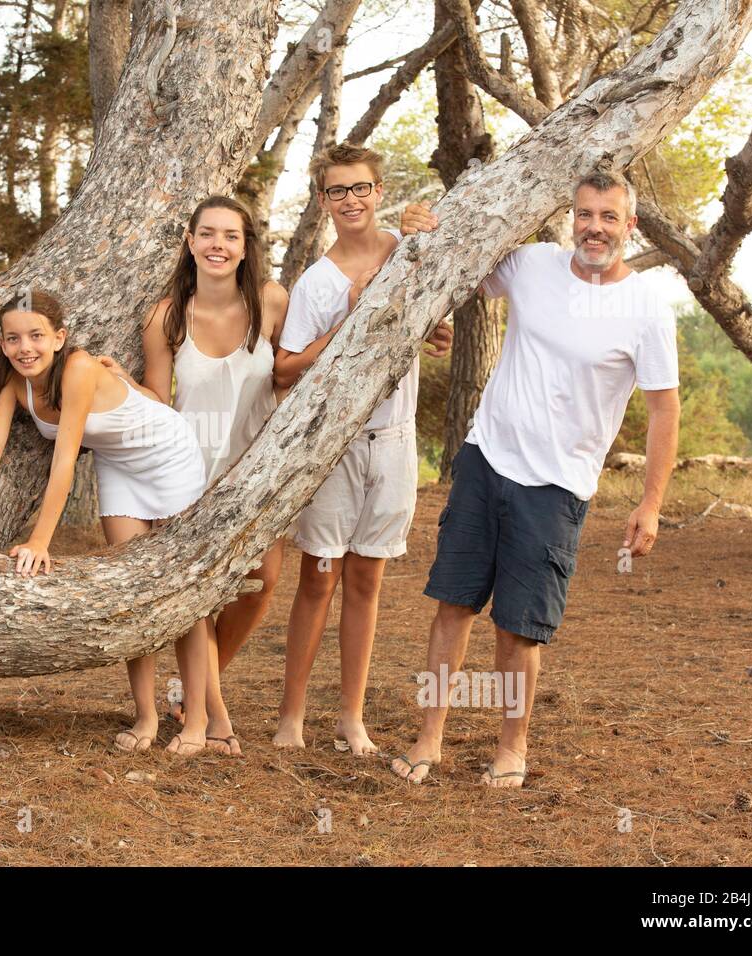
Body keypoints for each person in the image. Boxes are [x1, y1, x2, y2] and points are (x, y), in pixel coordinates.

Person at [391, 169, 681, 787]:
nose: (594, 228)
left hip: (558, 486)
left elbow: (663, 408)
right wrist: (418, 224)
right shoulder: (532, 265)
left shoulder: (647, 307)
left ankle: (511, 747)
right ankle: (429, 737)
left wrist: (651, 503)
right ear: (569, 218)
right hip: (486, 457)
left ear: (630, 226)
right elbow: (456, 264)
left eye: (608, 217)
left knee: (519, 628)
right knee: (452, 606)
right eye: (584, 214)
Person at [0, 289, 215, 755]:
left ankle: (199, 721)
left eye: (37, 336)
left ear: (59, 338)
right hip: (120, 466)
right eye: (13, 338)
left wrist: (40, 541)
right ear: (2, 344)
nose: (26, 348)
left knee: (186, 595)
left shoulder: (79, 369)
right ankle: (145, 717)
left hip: (168, 456)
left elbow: (64, 462)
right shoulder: (12, 384)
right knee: (136, 587)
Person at [270, 142, 453, 755]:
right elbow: (285, 369)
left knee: (367, 581)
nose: (350, 200)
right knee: (319, 579)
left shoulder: (409, 255)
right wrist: (347, 321)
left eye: (360, 188)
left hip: (394, 442)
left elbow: (427, 318)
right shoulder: (316, 282)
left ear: (379, 192)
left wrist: (436, 331)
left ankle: (351, 717)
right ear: (323, 201)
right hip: (335, 447)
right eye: (337, 191)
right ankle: (292, 715)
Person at [104, 195, 288, 756]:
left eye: (230, 236)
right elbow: (160, 398)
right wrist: (120, 383)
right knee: (200, 598)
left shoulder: (272, 302)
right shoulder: (167, 314)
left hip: (253, 469)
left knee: (264, 583)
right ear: (190, 241)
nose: (218, 245)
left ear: (244, 246)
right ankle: (213, 714)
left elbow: (289, 373)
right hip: (186, 469)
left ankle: (195, 690)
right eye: (207, 234)